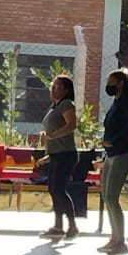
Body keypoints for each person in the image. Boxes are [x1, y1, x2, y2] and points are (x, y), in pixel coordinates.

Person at [98, 69, 128, 255]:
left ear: (120, 83)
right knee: (107, 196)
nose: (108, 85)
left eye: (111, 82)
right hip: (111, 153)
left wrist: (114, 141)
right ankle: (114, 237)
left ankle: (120, 240)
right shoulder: (116, 103)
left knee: (112, 196)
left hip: (121, 153)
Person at [39, 75, 80, 239]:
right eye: (52, 85)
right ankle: (58, 225)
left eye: (57, 86)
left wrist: (54, 135)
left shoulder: (66, 104)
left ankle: (72, 225)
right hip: (55, 154)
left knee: (59, 189)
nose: (52, 88)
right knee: (53, 189)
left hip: (65, 154)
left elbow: (71, 124)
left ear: (66, 90)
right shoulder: (54, 107)